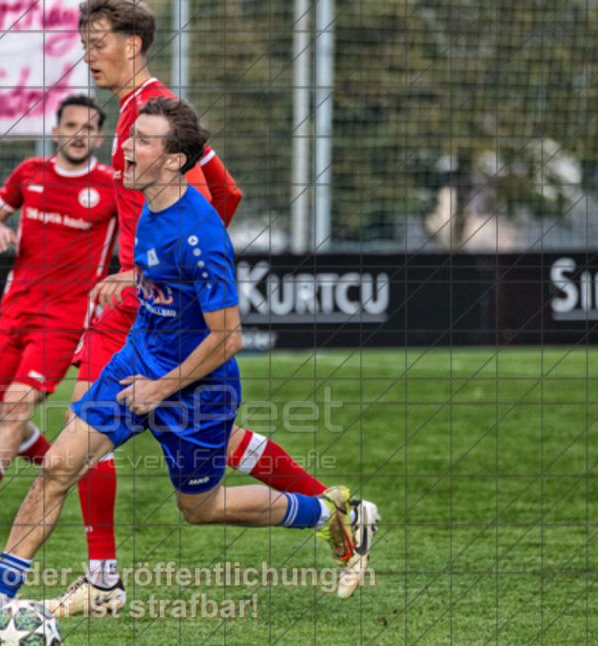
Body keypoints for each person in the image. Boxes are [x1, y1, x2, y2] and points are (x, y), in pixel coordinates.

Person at [0, 98, 374, 630]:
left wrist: (161, 388)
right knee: (57, 468)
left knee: (200, 509)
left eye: (143, 140)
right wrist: (131, 283)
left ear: (174, 161)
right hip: (135, 360)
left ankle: (328, 513)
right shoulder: (146, 206)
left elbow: (228, 338)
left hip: (196, 390)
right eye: (130, 136)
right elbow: (160, 281)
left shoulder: (200, 237)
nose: (126, 147)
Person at [41, 0, 378, 614]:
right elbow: (228, 190)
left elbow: (200, 199)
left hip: (145, 302)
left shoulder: (148, 121)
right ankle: (341, 512)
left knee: (86, 427)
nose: (86, 55)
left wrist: (155, 270)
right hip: (151, 296)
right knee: (202, 439)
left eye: (96, 42)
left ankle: (103, 579)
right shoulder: (156, 107)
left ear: (132, 46)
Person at [0, 95, 119, 529]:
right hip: (15, 311)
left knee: (14, 411)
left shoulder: (111, 186)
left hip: (64, 320)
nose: (78, 135)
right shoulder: (31, 173)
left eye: (88, 128)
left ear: (99, 137)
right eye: (71, 126)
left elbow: (137, 237)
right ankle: (62, 466)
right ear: (56, 131)